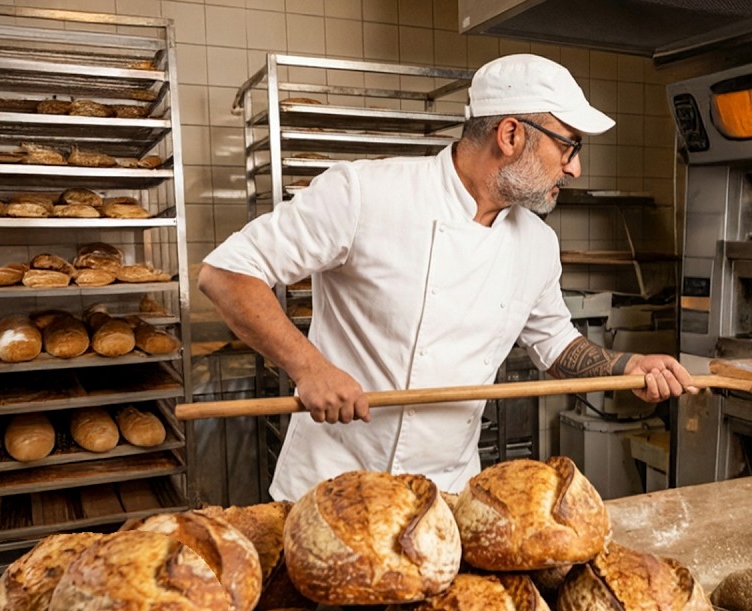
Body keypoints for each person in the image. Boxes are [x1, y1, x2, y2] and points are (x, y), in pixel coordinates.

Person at [199, 53, 696, 501]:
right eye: (568, 147)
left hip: (444, 499)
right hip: (331, 486)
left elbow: (557, 346)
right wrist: (309, 367)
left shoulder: (537, 245)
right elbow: (226, 273)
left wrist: (627, 365)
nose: (575, 169)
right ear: (510, 135)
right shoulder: (365, 194)